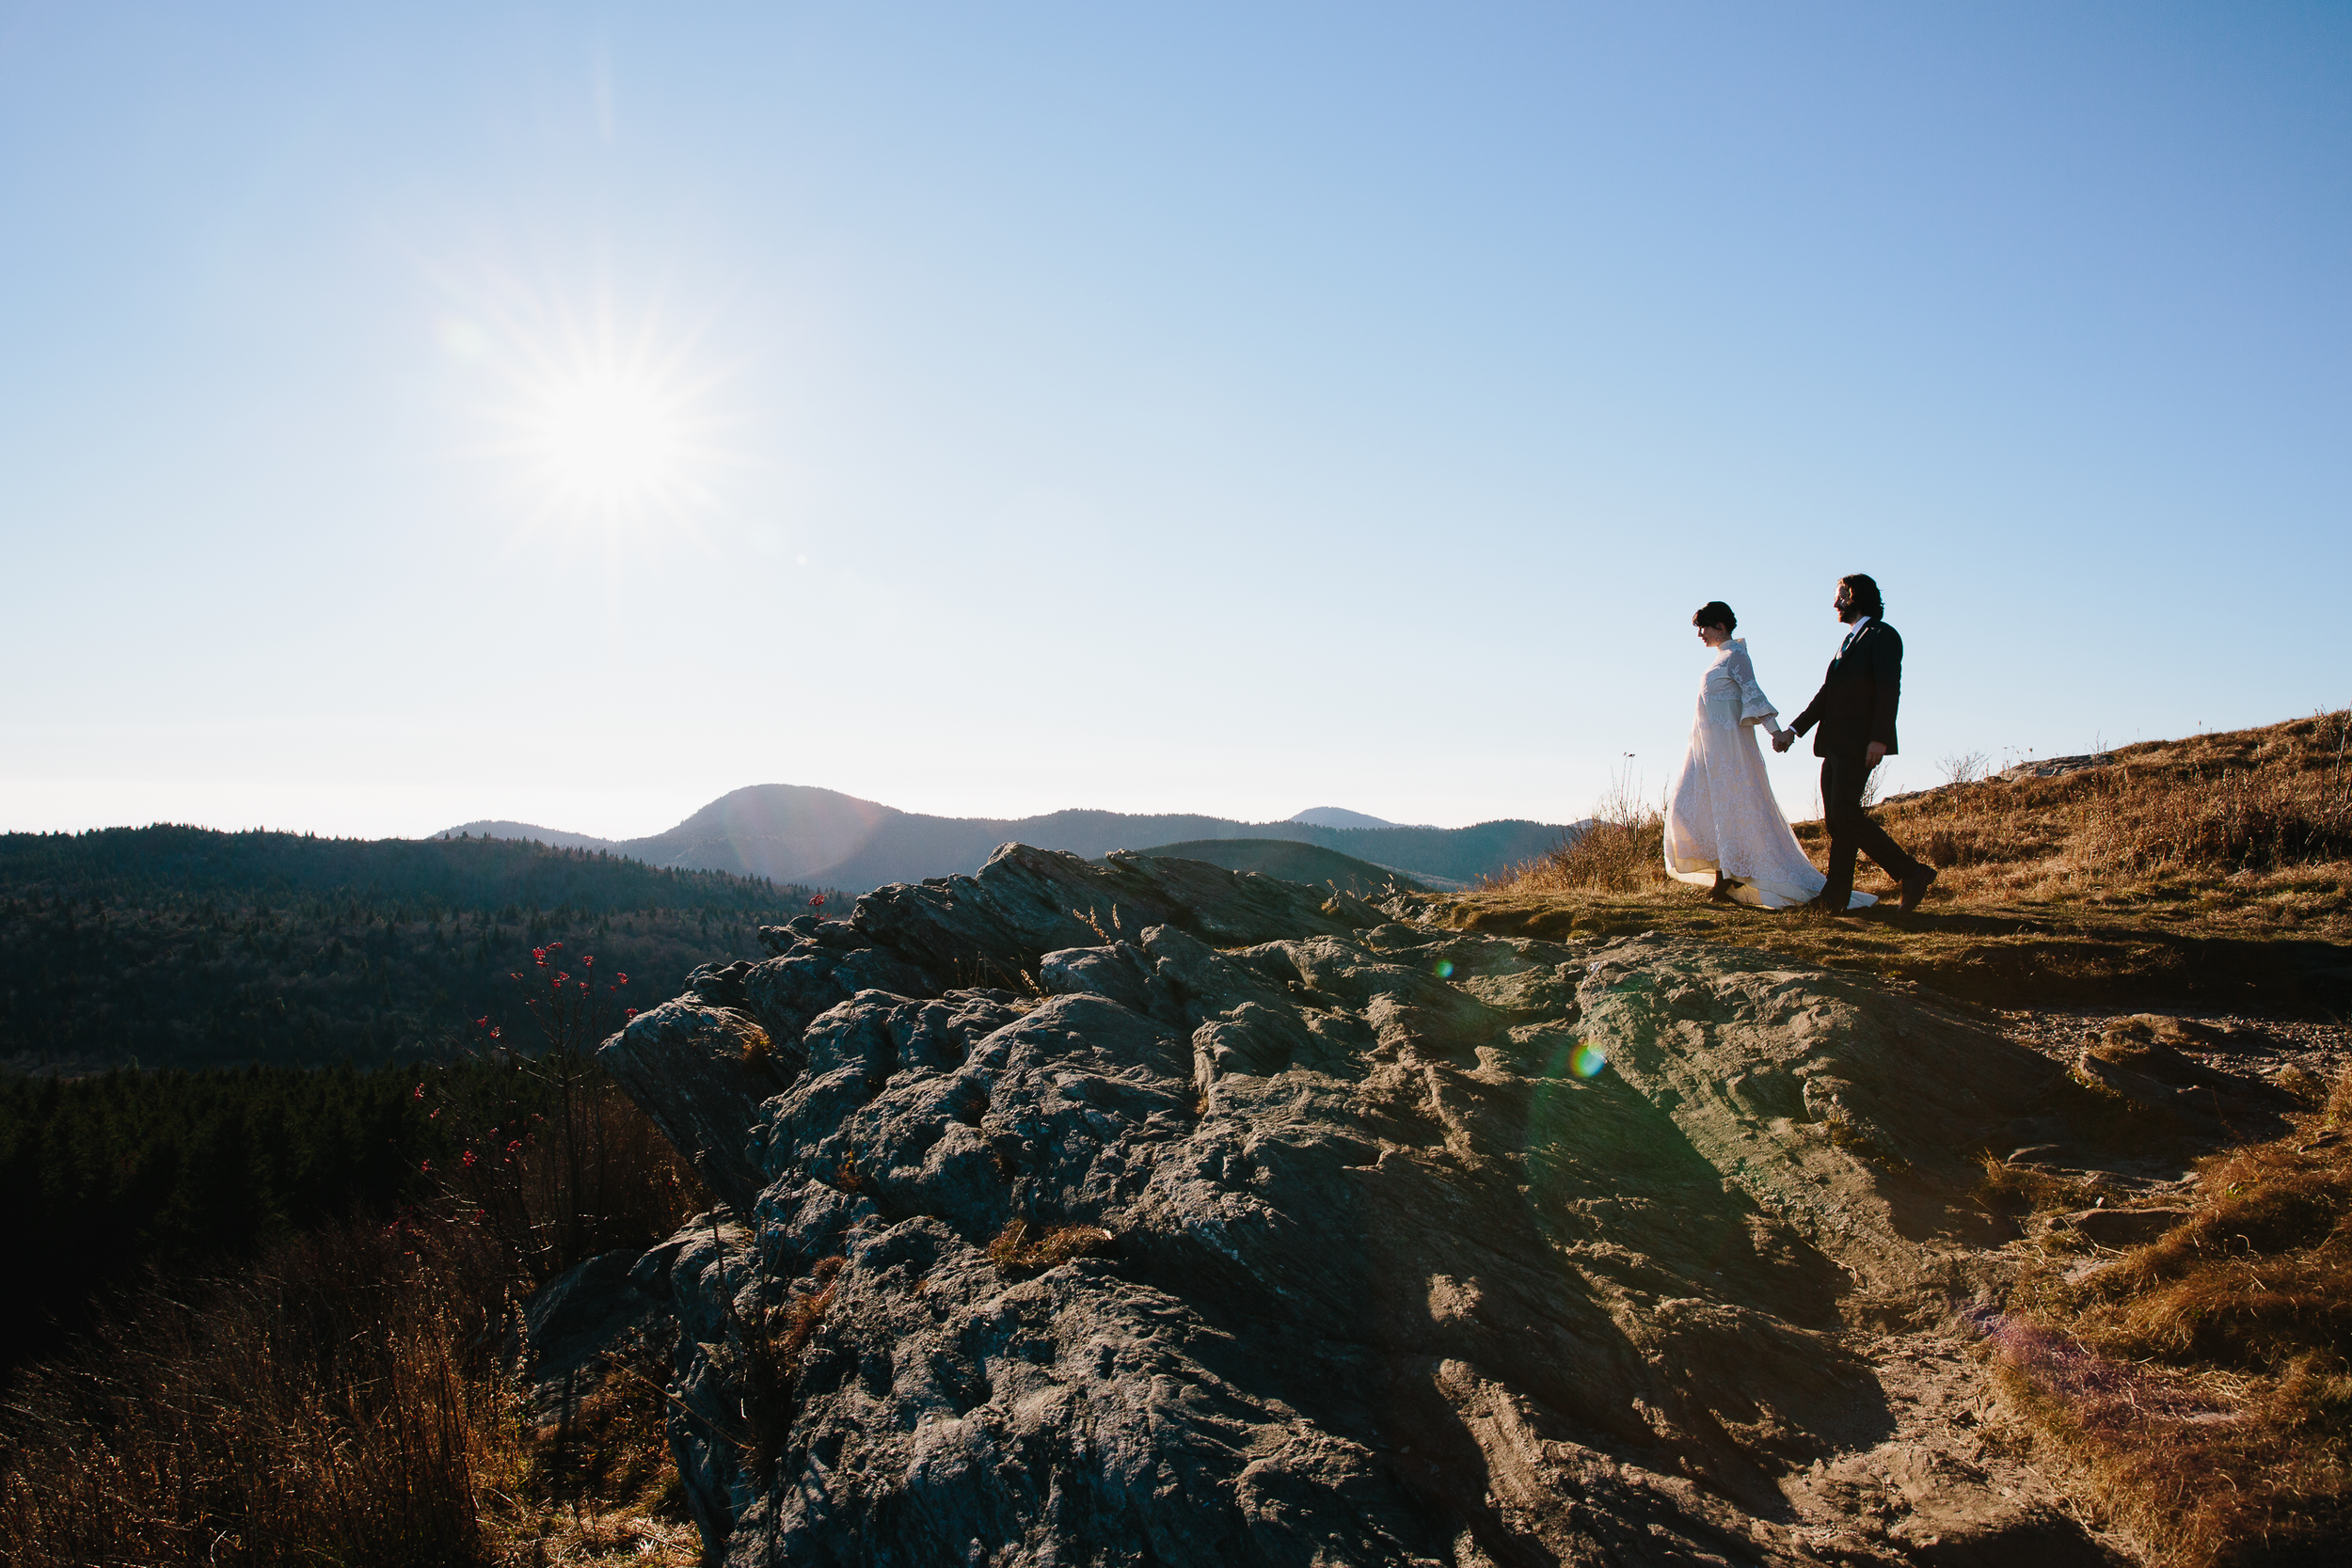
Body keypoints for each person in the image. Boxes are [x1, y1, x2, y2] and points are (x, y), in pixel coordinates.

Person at [1663, 601, 1875, 910]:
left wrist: (1776, 732)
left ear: (1720, 626)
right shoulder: (1718, 659)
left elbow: (1754, 694)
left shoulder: (1736, 656)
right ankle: (1726, 870)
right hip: (1705, 751)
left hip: (1730, 750)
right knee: (1688, 806)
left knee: (1732, 808)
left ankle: (1729, 875)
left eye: (1703, 627)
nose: (1700, 634)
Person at [1774, 574, 1937, 913]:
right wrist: (1794, 730)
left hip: (1859, 743)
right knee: (1836, 821)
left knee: (1845, 813)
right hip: (1833, 743)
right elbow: (1827, 695)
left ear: (1854, 596)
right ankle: (1834, 899)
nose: (1835, 604)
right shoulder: (1848, 641)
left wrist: (1879, 738)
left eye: (1840, 597)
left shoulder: (1882, 635)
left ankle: (1912, 872)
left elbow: (1889, 688)